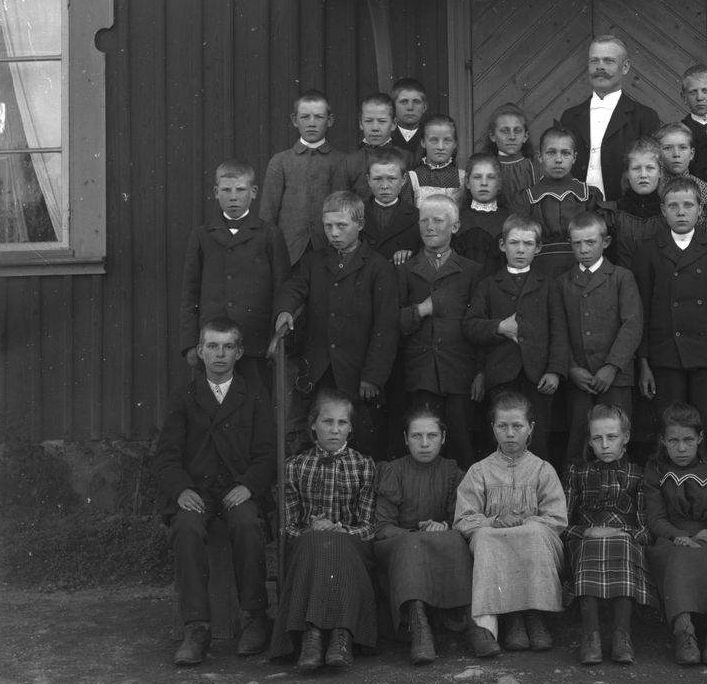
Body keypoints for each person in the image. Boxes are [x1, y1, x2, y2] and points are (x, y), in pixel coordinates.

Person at [154, 317, 275, 666]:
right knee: (186, 527)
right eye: (212, 346)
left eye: (227, 346)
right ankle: (197, 627)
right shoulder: (184, 396)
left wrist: (248, 485)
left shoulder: (254, 395)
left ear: (239, 352)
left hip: (238, 490)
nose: (220, 354)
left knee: (248, 525)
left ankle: (254, 617)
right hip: (197, 492)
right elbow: (166, 457)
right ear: (200, 352)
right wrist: (181, 490)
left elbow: (267, 455)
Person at [273, 191, 399, 459]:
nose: (334, 233)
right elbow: (293, 289)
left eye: (341, 225)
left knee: (361, 443)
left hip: (358, 375)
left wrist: (373, 376)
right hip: (319, 371)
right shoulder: (313, 261)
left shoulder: (379, 268)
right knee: (319, 441)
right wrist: (284, 311)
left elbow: (386, 328)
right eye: (328, 226)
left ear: (360, 224)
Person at [268, 389, 380, 673]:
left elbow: (369, 528)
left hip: (351, 549)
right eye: (327, 422)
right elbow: (287, 527)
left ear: (351, 427)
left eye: (342, 422)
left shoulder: (364, 466)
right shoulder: (294, 467)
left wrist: (339, 530)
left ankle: (340, 637)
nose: (335, 429)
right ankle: (313, 639)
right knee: (318, 543)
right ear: (312, 424)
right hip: (307, 548)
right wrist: (312, 531)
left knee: (334, 544)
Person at [633, 176, 707, 459]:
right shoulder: (649, 251)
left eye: (688, 205)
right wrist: (643, 362)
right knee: (670, 427)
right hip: (665, 355)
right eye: (673, 206)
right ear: (663, 210)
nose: (681, 212)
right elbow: (642, 311)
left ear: (701, 210)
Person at [454, 392, 568, 656]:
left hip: (536, 542)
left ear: (531, 428)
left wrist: (524, 522)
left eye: (517, 426)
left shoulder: (542, 470)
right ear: (493, 428)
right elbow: (463, 519)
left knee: (534, 532)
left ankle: (535, 616)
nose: (510, 433)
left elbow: (557, 518)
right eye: (502, 426)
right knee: (486, 536)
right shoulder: (480, 471)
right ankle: (513, 620)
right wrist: (494, 521)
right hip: (494, 544)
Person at [180, 159, 290, 396]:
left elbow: (282, 288)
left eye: (240, 190)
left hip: (255, 341)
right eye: (226, 190)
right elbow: (190, 292)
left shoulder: (270, 234)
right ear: (215, 192)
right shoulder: (201, 235)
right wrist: (190, 342)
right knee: (213, 403)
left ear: (253, 192)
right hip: (214, 342)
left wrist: (275, 339)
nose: (233, 197)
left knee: (255, 401)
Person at [463, 214, 569, 461]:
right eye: (514, 243)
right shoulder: (488, 285)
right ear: (502, 245)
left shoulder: (548, 286)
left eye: (528, 244)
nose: (521, 249)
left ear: (538, 248)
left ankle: (536, 484)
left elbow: (559, 331)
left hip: (538, 376)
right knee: (503, 437)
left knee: (537, 438)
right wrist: (500, 327)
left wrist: (555, 370)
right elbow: (470, 326)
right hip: (501, 375)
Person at [372, 407, 474, 664]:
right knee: (412, 544)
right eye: (417, 436)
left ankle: (473, 624)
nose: (425, 443)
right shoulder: (393, 471)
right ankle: (419, 629)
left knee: (454, 538)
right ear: (406, 439)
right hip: (399, 546)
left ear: (443, 438)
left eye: (432, 436)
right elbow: (382, 527)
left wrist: (444, 526)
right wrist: (415, 534)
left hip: (439, 542)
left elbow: (462, 520)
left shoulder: (453, 473)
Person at [562, 405, 657, 665]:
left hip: (626, 542)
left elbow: (647, 529)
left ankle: (621, 634)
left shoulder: (638, 474)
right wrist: (587, 531)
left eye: (612, 437)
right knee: (592, 544)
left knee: (619, 544)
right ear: (589, 441)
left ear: (625, 437)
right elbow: (559, 524)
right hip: (585, 541)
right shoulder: (577, 473)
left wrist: (623, 534)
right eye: (597, 438)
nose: (604, 445)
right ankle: (590, 634)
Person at [397, 194, 485, 470]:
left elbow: (478, 324)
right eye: (424, 220)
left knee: (461, 446)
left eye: (437, 220)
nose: (429, 226)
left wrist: (480, 371)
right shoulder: (406, 269)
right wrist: (420, 310)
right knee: (425, 446)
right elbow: (393, 322)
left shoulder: (471, 270)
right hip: (421, 372)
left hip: (460, 373)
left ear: (455, 226)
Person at [642, 402, 707, 666]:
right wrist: (680, 536)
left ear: (700, 438)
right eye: (673, 441)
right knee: (677, 558)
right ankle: (685, 633)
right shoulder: (656, 470)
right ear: (663, 440)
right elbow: (656, 519)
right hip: (670, 538)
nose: (681, 448)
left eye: (688, 440)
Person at [556, 211, 644, 464]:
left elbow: (632, 325)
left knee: (616, 439)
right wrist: (571, 367)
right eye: (577, 243)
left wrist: (612, 366)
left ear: (605, 242)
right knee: (579, 439)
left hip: (615, 377)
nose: (583, 249)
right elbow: (558, 330)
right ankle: (576, 487)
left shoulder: (621, 277)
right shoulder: (562, 283)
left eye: (590, 242)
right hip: (579, 378)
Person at [557, 35, 661, 200]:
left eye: (608, 61)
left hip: (624, 208)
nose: (600, 67)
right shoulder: (570, 116)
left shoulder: (644, 117)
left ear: (625, 67)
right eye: (594, 61)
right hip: (575, 208)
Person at [259, 89, 346, 265]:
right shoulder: (280, 161)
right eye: (305, 117)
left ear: (330, 120)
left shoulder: (341, 160)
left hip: (327, 249)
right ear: (294, 120)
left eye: (319, 117)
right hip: (288, 252)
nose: (312, 123)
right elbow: (267, 213)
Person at [511, 127, 602, 280]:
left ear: (574, 157)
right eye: (551, 152)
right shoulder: (526, 197)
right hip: (539, 271)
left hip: (581, 269)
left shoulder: (589, 194)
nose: (558, 159)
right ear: (540, 156)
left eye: (565, 153)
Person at [332, 93, 416, 208]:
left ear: (393, 124)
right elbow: (339, 206)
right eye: (368, 121)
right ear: (360, 123)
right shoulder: (349, 163)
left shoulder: (407, 158)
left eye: (382, 121)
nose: (375, 128)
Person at [654, 122, 707, 240]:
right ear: (657, 154)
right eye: (667, 148)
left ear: (691, 153)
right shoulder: (651, 190)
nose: (676, 154)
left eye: (683, 147)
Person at [606, 137, 666, 268]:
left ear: (660, 173)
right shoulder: (614, 214)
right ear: (627, 173)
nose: (643, 175)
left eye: (650, 168)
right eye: (636, 168)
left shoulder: (668, 212)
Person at [357, 148, 419, 266]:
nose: (385, 186)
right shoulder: (356, 214)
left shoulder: (417, 216)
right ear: (368, 180)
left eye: (391, 179)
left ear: (404, 179)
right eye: (377, 179)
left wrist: (411, 253)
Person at [454, 153, 513, 279]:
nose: (484, 183)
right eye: (477, 177)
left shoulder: (510, 219)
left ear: (499, 183)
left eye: (490, 177)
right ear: (467, 182)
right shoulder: (456, 219)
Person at [486, 102, 539, 204]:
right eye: (504, 131)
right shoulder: (487, 168)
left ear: (525, 136)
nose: (512, 137)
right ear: (492, 136)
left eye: (517, 131)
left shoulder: (531, 168)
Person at [410, 114, 466, 196]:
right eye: (433, 140)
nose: (440, 147)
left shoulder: (463, 179)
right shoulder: (412, 178)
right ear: (423, 142)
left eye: (447, 141)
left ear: (455, 143)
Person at [677, 64, 707, 166]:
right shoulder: (679, 131)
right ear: (684, 97)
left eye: (705, 91)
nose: (700, 97)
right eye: (693, 92)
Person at [390, 77, 429, 166]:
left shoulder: (430, 137)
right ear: (392, 106)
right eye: (404, 102)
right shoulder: (386, 137)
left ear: (424, 107)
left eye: (416, 102)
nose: (410, 107)